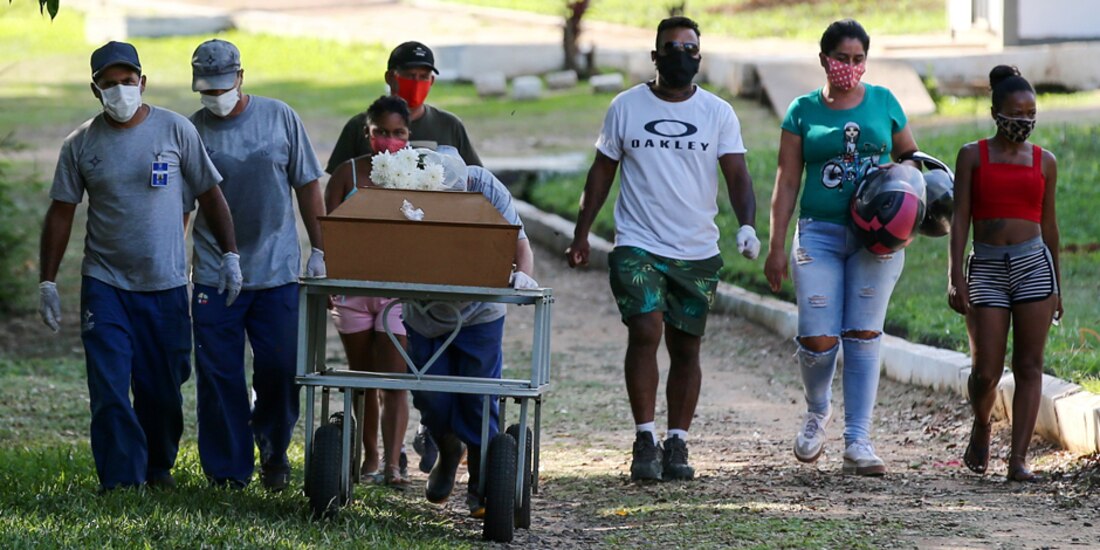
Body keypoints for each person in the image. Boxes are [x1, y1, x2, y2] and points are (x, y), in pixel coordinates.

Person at [37, 41, 240, 492]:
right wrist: (47, 281)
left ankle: (157, 464)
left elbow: (209, 193)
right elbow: (61, 211)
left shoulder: (175, 129)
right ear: (96, 90)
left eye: (128, 82)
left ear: (143, 83)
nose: (120, 91)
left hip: (165, 283)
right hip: (105, 282)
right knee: (109, 386)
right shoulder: (81, 144)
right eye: (109, 85)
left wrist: (230, 255)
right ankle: (121, 479)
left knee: (163, 385)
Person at [566, 16, 759, 482]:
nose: (681, 55)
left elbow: (737, 174)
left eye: (690, 48)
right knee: (646, 330)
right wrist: (581, 231)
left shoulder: (718, 113)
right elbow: (601, 172)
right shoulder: (625, 107)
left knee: (686, 347)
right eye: (671, 48)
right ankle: (645, 437)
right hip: (638, 243)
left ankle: (678, 441)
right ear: (655, 57)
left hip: (696, 249)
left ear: (700, 56)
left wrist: (748, 225)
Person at [763, 19, 921, 477]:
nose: (849, 68)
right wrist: (776, 245)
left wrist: (910, 207)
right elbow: (787, 179)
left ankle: (859, 440)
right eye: (841, 59)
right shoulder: (801, 111)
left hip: (877, 239)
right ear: (824, 60)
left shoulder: (885, 102)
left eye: (858, 60)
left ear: (865, 62)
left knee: (864, 334)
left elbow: (912, 160)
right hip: (819, 233)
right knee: (817, 334)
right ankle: (817, 412)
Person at [186, 39, 327, 491]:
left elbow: (307, 185)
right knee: (219, 373)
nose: (216, 97)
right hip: (213, 269)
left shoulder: (279, 117)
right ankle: (227, 470)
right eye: (207, 90)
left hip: (276, 268)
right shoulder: (191, 131)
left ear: (241, 78)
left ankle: (273, 444)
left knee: (280, 368)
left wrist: (321, 250)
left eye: (222, 87)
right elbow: (183, 206)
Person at [402, 157, 536, 516]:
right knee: (432, 398)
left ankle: (482, 488)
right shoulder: (406, 190)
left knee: (478, 398)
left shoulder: (487, 188)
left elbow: (519, 242)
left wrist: (522, 275)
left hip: (479, 311)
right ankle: (448, 449)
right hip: (425, 312)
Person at [948, 66, 1061, 482]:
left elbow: (1050, 227)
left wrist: (1059, 286)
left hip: (1034, 266)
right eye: (1017, 113)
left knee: (1030, 365)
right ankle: (982, 422)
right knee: (986, 371)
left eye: (1031, 114)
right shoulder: (972, 155)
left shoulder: (1044, 162)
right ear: (996, 112)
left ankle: (1018, 461)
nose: (1025, 122)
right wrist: (955, 275)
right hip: (988, 267)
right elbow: (960, 218)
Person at [324, 94, 414, 487]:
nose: (389, 140)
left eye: (398, 133)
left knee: (394, 379)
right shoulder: (348, 174)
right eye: (381, 132)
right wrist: (328, 275)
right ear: (367, 133)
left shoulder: (421, 173)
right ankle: (369, 456)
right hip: (353, 291)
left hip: (398, 290)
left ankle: (393, 462)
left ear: (409, 134)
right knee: (363, 379)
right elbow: (327, 232)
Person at [326, 41, 481, 173]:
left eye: (423, 77)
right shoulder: (360, 125)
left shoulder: (449, 125)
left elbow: (474, 177)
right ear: (390, 78)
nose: (416, 83)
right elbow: (339, 182)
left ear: (431, 81)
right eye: (409, 76)